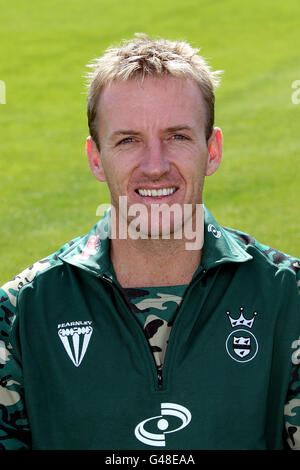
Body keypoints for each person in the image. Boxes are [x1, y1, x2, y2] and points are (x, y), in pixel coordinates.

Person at [0, 34, 299, 451]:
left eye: (177, 136)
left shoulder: (289, 298)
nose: (155, 166)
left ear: (212, 150)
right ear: (95, 158)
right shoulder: (19, 313)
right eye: (128, 140)